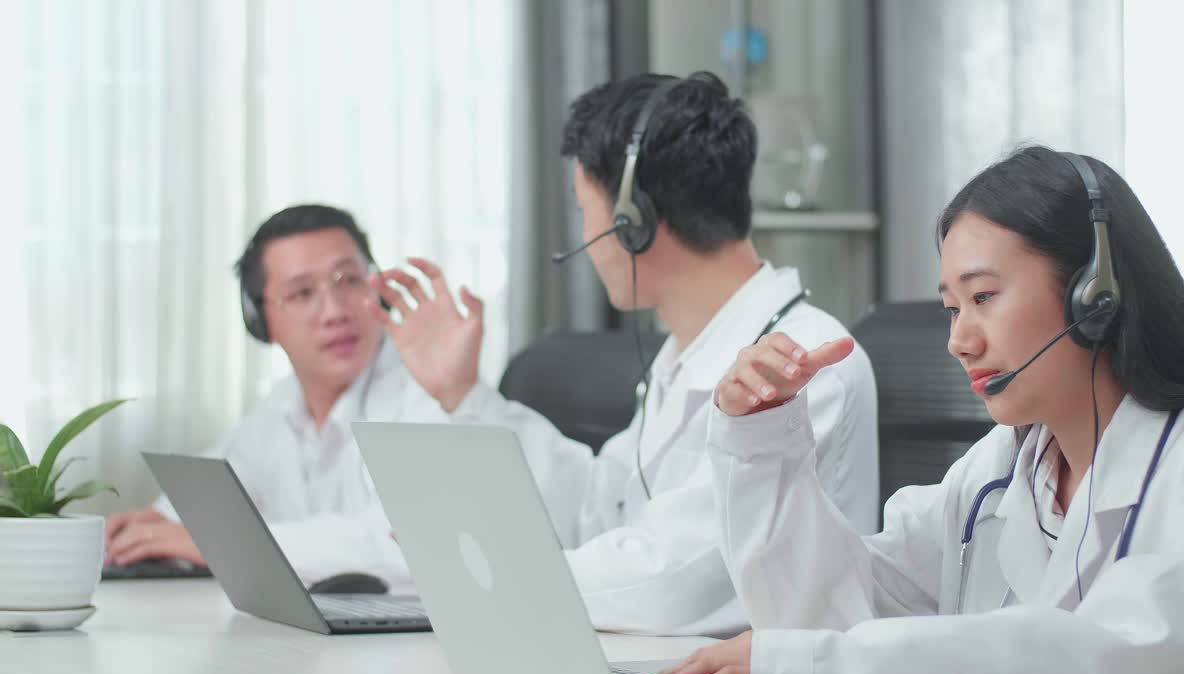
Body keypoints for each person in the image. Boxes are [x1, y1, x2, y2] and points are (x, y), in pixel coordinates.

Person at [642, 146, 1184, 674]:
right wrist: (761, 441)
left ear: (1095, 294)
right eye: (952, 308)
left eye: (983, 298)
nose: (958, 341)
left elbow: (1140, 653)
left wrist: (812, 661)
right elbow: (831, 615)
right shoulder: (1000, 468)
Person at [371, 71, 880, 635]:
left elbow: (676, 583)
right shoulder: (683, 357)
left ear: (632, 221)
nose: (585, 238)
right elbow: (599, 511)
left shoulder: (803, 362)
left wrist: (481, 573)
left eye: (583, 211)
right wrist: (461, 394)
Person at [105, 204, 443, 587]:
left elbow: (402, 544)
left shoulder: (429, 394)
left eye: (349, 281)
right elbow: (227, 478)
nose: (334, 311)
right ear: (260, 321)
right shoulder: (283, 405)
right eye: (301, 293)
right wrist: (158, 523)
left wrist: (224, 545)